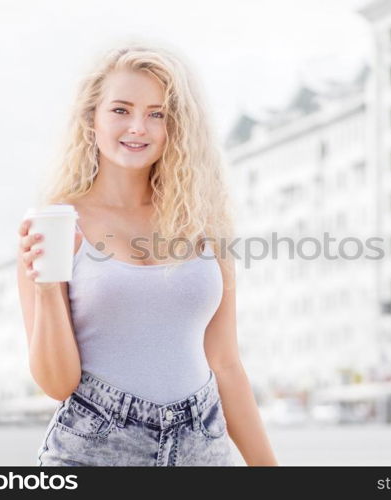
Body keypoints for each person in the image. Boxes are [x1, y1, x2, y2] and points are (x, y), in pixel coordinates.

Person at [16, 40, 278, 466]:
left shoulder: (205, 224)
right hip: (94, 449)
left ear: (175, 127)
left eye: (156, 114)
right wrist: (47, 287)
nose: (138, 126)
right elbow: (58, 384)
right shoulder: (56, 224)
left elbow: (226, 364)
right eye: (121, 110)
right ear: (91, 119)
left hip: (202, 445)